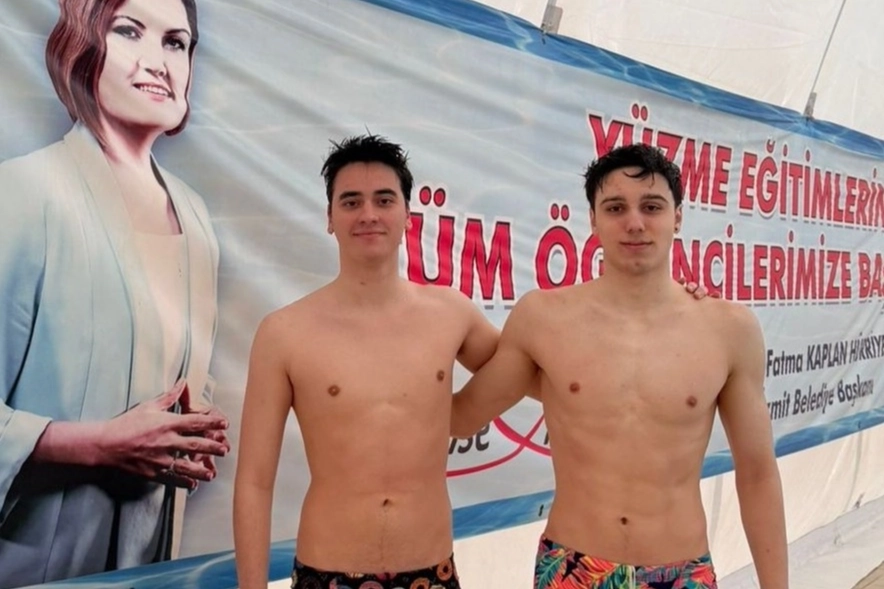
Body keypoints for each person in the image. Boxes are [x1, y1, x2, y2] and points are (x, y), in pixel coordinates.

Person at [233, 135, 710, 589]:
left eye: (384, 199)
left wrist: (660, 315)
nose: (369, 214)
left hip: (431, 570)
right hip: (326, 570)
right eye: (351, 201)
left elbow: (552, 372)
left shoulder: (450, 314)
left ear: (407, 215)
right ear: (329, 217)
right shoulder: (284, 333)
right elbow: (254, 483)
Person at [451, 144, 788, 589]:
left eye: (652, 207)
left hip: (680, 572)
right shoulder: (545, 319)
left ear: (677, 217)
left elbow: (758, 472)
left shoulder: (729, 329)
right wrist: (439, 321)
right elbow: (462, 416)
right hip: (572, 569)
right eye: (615, 208)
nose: (634, 223)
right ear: (593, 220)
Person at [0, 0, 229, 586]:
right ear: (82, 45)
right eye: (129, 32)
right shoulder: (22, 192)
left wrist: (189, 429)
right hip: (34, 558)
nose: (158, 61)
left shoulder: (195, 215)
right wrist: (98, 445)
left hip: (153, 557)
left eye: (175, 42)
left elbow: (177, 368)